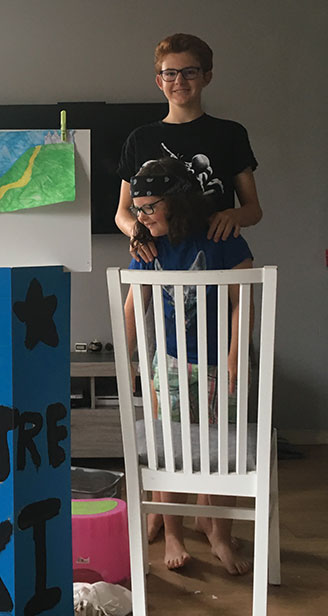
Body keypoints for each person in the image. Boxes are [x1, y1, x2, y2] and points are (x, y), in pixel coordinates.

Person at [123, 157, 253, 575]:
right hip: (171, 363)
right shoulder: (148, 247)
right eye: (137, 209)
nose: (141, 217)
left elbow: (243, 301)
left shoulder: (221, 238)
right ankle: (173, 533)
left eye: (149, 207)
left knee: (222, 451)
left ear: (176, 203)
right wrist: (127, 360)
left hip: (218, 363)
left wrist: (235, 355)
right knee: (168, 452)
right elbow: (133, 307)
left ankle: (219, 532)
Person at [116, 33, 261, 263]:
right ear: (160, 81)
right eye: (170, 73)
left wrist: (233, 215)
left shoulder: (230, 134)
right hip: (159, 259)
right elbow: (122, 212)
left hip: (220, 257)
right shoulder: (140, 139)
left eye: (189, 72)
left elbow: (253, 210)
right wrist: (137, 233)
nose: (179, 81)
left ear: (206, 77)